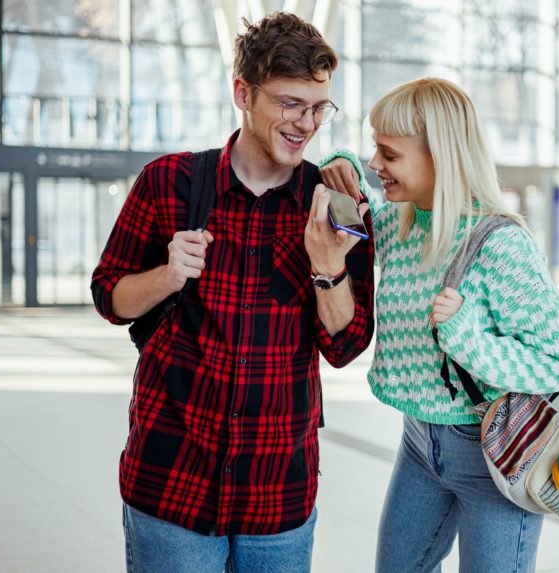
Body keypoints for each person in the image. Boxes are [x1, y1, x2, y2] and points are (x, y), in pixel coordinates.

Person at [90, 13, 374, 573]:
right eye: (290, 103)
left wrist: (328, 269)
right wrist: (168, 276)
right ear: (243, 92)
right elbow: (109, 297)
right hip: (172, 482)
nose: (306, 123)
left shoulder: (333, 205)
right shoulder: (168, 183)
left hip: (279, 494)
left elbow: (346, 346)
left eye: (319, 108)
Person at [319, 78, 559, 573]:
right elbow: (351, 214)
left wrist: (468, 339)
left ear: (439, 155)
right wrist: (345, 167)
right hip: (420, 443)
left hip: (494, 453)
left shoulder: (500, 245)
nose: (376, 164)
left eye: (388, 154)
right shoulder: (402, 222)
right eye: (374, 150)